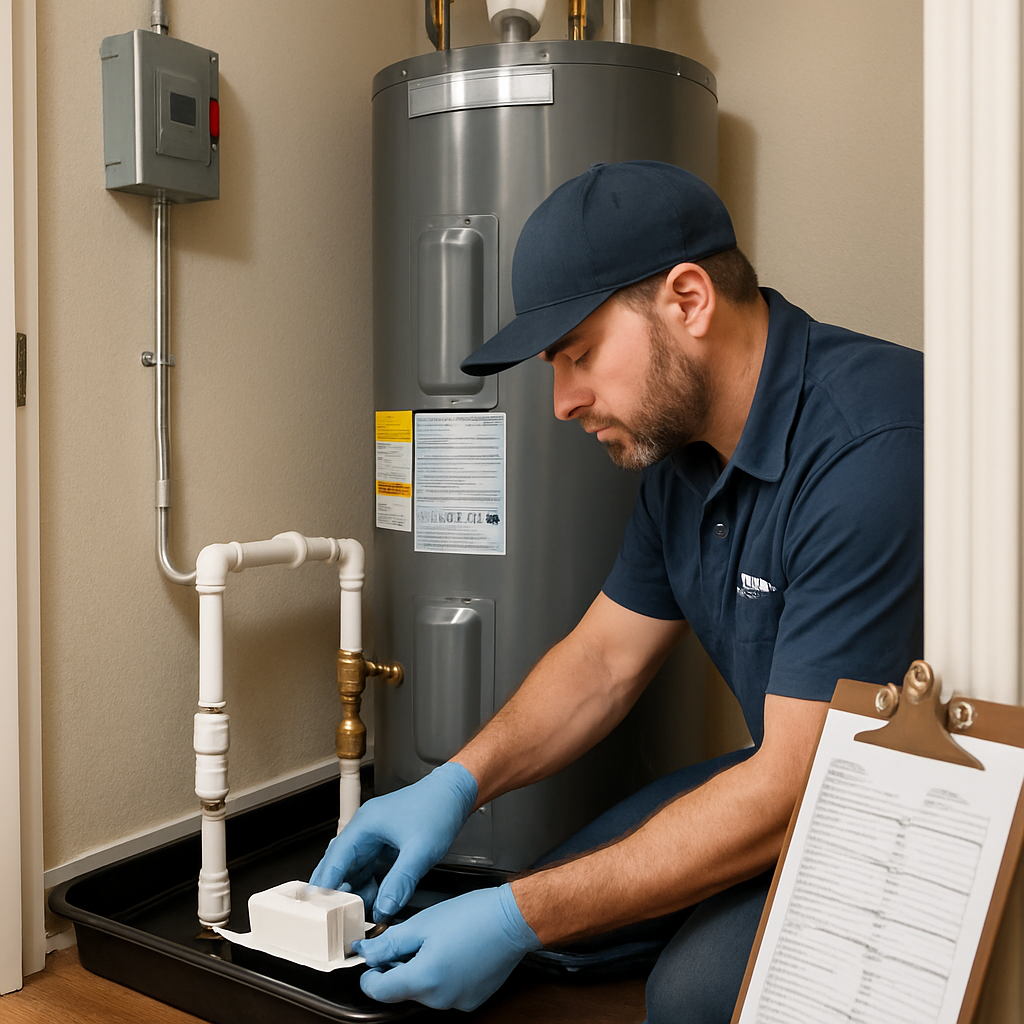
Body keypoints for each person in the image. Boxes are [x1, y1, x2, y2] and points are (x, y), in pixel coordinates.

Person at [311, 161, 923, 1021]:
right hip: (800, 769)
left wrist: (516, 917)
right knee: (559, 914)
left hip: (917, 810)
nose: (562, 402)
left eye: (581, 354)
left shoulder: (871, 449)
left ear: (689, 299)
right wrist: (457, 782)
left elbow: (795, 787)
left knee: (691, 996)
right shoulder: (682, 462)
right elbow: (602, 660)